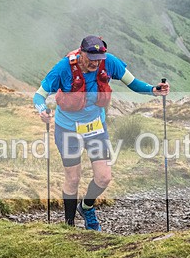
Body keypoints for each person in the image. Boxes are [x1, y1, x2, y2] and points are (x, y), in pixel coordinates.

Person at [33, 35, 170, 230]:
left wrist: (154, 90)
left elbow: (133, 83)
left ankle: (86, 207)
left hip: (96, 128)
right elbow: (39, 95)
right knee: (73, 178)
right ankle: (68, 226)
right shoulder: (63, 68)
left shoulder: (109, 62)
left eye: (99, 59)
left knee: (104, 177)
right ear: (81, 54)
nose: (95, 63)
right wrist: (42, 110)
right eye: (91, 59)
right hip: (68, 130)